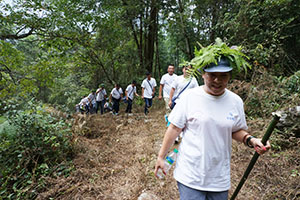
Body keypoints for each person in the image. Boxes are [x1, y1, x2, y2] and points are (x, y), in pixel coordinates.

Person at [154, 57, 271, 200]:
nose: (217, 80)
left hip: (219, 177)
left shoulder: (235, 101)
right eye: (212, 75)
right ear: (203, 74)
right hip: (190, 175)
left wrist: (251, 140)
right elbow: (174, 128)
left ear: (229, 76)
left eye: (223, 76)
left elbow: (235, 130)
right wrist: (161, 157)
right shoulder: (189, 97)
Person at [168, 65, 199, 142]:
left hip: (190, 103)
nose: (187, 70)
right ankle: (176, 137)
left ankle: (184, 135)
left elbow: (197, 91)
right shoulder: (177, 79)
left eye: (189, 69)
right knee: (176, 119)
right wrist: (170, 100)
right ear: (183, 69)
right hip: (178, 102)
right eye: (186, 69)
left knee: (187, 121)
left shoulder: (193, 80)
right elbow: (172, 89)